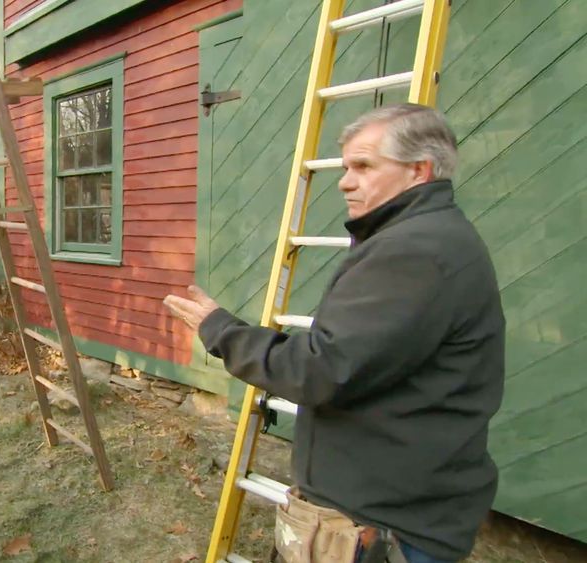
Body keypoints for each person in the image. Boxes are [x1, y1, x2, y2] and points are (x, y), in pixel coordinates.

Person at [164, 104, 504, 563]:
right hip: (394, 503)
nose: (345, 181)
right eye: (346, 167)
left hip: (384, 524)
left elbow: (320, 370)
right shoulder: (427, 237)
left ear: (419, 171)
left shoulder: (413, 252)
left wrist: (220, 331)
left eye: (364, 166)